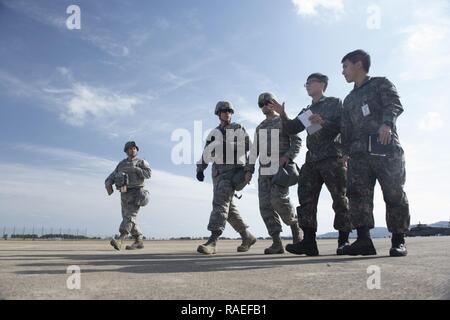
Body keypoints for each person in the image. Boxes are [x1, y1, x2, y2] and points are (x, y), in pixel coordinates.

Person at [269, 73, 352, 256]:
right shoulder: (307, 111)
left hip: (332, 158)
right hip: (312, 161)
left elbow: (344, 126)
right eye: (305, 83)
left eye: (310, 82)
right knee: (306, 200)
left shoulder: (334, 103)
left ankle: (344, 240)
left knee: (340, 199)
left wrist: (324, 122)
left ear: (322, 84)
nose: (307, 85)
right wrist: (282, 115)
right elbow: (291, 128)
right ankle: (308, 243)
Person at [340, 49, 410, 256]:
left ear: (359, 64)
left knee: (393, 192)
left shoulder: (381, 83)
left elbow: (394, 104)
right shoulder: (349, 99)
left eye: (345, 66)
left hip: (384, 147)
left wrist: (387, 124)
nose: (343, 72)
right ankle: (363, 241)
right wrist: (345, 152)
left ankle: (398, 240)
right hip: (358, 155)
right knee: (357, 196)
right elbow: (346, 128)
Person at [244, 92, 303, 254]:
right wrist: (249, 170)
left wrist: (287, 156)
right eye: (261, 104)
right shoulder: (260, 127)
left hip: (279, 169)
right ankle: (277, 243)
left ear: (273, 103)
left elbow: (297, 141)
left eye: (267, 102)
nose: (264, 106)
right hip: (264, 172)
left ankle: (296, 230)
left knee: (279, 201)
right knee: (265, 206)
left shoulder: (283, 121)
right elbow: (254, 151)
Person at [196, 101, 257, 255]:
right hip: (218, 174)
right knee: (228, 209)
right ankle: (247, 236)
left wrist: (228, 146)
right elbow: (206, 153)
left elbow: (249, 146)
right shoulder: (213, 134)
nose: (227, 113)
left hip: (234, 172)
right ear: (218, 113)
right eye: (224, 111)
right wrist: (200, 168)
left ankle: (213, 240)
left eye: (229, 110)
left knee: (219, 204)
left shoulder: (237, 128)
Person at [105, 141, 151, 251]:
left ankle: (120, 239)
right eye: (130, 148)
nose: (133, 150)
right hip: (124, 193)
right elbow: (113, 174)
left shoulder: (141, 162)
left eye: (134, 148)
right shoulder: (121, 164)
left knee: (130, 216)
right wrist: (108, 182)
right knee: (128, 218)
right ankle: (138, 241)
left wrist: (136, 169)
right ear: (126, 151)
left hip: (137, 193)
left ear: (137, 150)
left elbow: (148, 174)